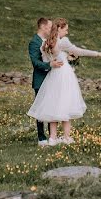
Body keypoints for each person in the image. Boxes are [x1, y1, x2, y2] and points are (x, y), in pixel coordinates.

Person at [27, 18, 101, 145]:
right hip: (62, 75)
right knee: (65, 104)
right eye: (65, 29)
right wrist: (98, 54)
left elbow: (50, 56)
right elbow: (79, 51)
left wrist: (64, 57)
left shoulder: (46, 43)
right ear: (59, 29)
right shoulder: (61, 41)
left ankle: (52, 138)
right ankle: (61, 137)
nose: (67, 32)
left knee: (51, 107)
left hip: (52, 76)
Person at [28, 18, 63, 147]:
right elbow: (35, 63)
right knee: (40, 109)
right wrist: (50, 64)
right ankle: (41, 138)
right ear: (43, 27)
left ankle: (52, 136)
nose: (51, 29)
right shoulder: (34, 42)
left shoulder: (50, 41)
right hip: (40, 80)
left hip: (52, 79)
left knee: (52, 108)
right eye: (49, 27)